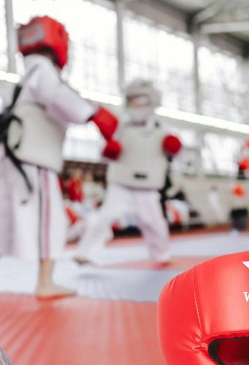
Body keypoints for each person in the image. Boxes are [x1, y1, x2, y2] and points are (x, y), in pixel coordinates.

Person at [0, 16, 120, 298]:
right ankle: (45, 282)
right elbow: (58, 97)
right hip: (33, 160)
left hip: (9, 159)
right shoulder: (43, 71)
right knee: (49, 219)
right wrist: (94, 114)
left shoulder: (21, 81)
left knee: (2, 217)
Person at [74, 79, 182, 266]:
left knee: (154, 222)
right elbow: (103, 154)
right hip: (120, 183)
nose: (137, 104)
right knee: (105, 217)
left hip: (148, 186)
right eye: (133, 100)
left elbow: (179, 156)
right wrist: (109, 151)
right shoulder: (120, 127)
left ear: (151, 101)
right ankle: (86, 253)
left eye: (141, 100)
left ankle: (162, 255)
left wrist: (175, 148)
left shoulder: (162, 129)